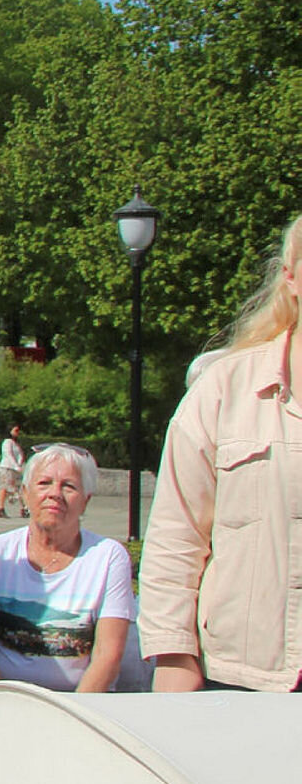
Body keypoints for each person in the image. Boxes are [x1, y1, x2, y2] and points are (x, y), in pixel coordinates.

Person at [143, 213, 302, 693]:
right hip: (244, 678)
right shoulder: (225, 389)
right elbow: (176, 535)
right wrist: (173, 656)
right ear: (291, 279)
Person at [0, 444, 133, 692]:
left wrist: (72, 715)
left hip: (82, 706)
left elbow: (108, 655)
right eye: (44, 483)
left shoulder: (108, 557)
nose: (55, 494)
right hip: (5, 702)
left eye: (69, 486)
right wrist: (4, 702)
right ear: (24, 493)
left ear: (86, 501)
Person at [0, 422, 27, 519]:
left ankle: (24, 508)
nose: (17, 432)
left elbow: (20, 454)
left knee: (20, 488)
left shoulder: (15, 443)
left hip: (16, 468)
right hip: (7, 467)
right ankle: (1, 508)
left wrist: (20, 463)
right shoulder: (7, 442)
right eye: (16, 430)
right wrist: (15, 465)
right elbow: (8, 455)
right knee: (5, 487)